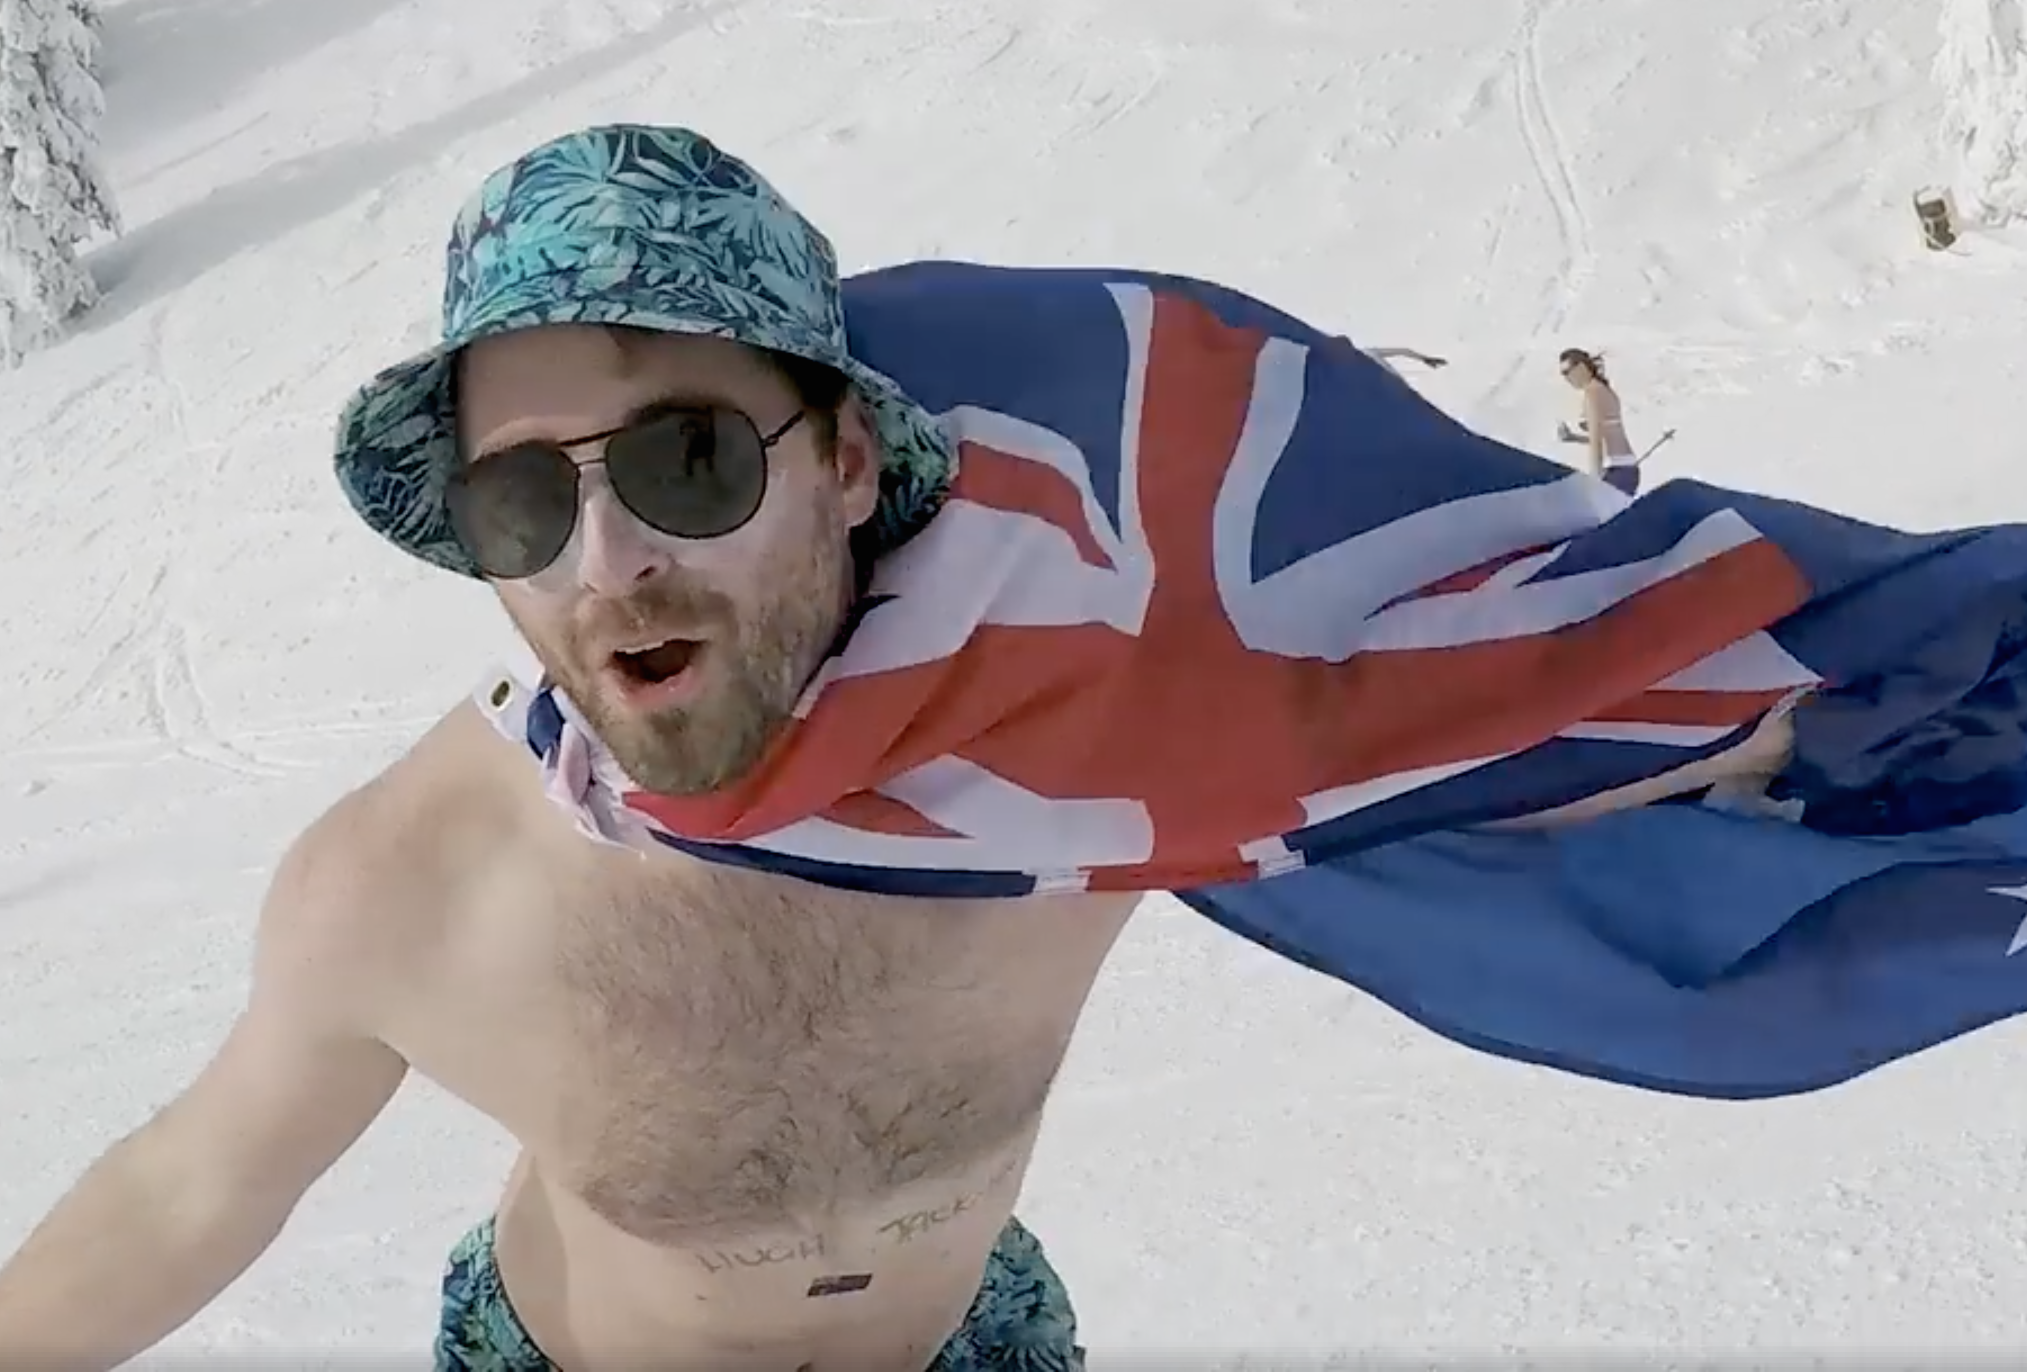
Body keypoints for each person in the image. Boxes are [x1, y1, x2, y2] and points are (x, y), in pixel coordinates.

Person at [0, 125, 1805, 1370]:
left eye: (683, 460)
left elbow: (1454, 717)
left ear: (846, 465)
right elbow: (189, 1182)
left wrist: (1771, 725)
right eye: (515, 505)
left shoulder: (1086, 739)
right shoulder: (415, 886)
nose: (608, 559)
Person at [1554, 346, 1639, 494]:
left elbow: (1596, 440)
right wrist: (1574, 438)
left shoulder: (1592, 394)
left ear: (1581, 367)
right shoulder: (1602, 389)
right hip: (1625, 467)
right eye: (1563, 375)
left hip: (1615, 470)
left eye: (1567, 372)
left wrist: (1595, 478)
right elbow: (1604, 435)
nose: (1566, 379)